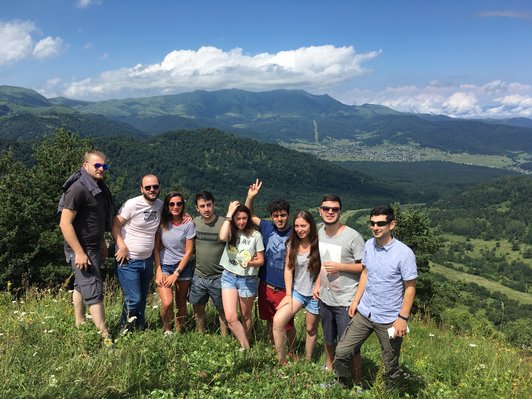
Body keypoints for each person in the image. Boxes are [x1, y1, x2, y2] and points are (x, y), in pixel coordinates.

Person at [333, 205, 417, 390]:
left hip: (389, 318)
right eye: (372, 223)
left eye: (381, 223)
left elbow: (410, 288)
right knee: (342, 350)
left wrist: (402, 318)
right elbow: (365, 273)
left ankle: (392, 392)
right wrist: (356, 300)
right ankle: (342, 385)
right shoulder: (369, 245)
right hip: (365, 312)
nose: (375, 227)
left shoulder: (404, 253)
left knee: (390, 362)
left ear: (392, 225)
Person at [58, 150, 115, 344]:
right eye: (97, 165)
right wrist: (79, 252)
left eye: (104, 166)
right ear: (85, 166)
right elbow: (65, 223)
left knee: (80, 285)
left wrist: (101, 242)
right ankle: (105, 337)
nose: (101, 169)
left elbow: (94, 220)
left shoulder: (97, 187)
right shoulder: (79, 188)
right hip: (81, 248)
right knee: (93, 288)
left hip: (93, 245)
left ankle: (80, 323)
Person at [314, 194, 365, 383]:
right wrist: (318, 285)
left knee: (350, 346)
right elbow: (320, 263)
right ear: (320, 211)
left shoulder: (352, 237)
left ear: (340, 212)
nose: (330, 212)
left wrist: (341, 267)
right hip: (325, 298)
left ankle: (357, 381)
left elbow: (365, 267)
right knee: (328, 339)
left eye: (334, 209)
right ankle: (330, 367)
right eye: (326, 208)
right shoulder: (319, 232)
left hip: (345, 300)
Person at [245, 179, 296, 350]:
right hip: (266, 284)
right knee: (269, 320)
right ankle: (273, 347)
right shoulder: (267, 227)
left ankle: (291, 350)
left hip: (284, 288)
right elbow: (249, 216)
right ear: (271, 216)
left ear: (288, 215)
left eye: (283, 215)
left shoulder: (295, 233)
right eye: (276, 215)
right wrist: (250, 197)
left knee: (286, 324)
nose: (280, 219)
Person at [112, 174, 163, 331]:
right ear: (142, 189)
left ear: (159, 187)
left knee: (142, 299)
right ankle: (123, 328)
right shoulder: (132, 204)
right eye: (147, 187)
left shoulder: (160, 205)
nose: (152, 190)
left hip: (146, 260)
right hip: (128, 260)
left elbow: (176, 212)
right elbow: (115, 225)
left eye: (155, 186)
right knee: (134, 298)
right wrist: (121, 246)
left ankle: (139, 328)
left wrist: (186, 216)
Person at [272, 210, 321, 364]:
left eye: (303, 226)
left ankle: (307, 360)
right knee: (278, 321)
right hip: (298, 292)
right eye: (297, 226)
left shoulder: (319, 244)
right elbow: (288, 268)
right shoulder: (291, 243)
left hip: (315, 294)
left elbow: (324, 268)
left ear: (311, 226)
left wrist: (318, 287)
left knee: (310, 329)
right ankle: (282, 362)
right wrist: (288, 294)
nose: (300, 229)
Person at [219, 201, 264, 349]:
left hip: (247, 279)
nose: (241, 221)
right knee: (231, 317)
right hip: (229, 276)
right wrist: (229, 213)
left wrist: (250, 263)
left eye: (244, 218)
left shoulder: (255, 235)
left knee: (246, 316)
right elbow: (221, 237)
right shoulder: (230, 230)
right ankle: (245, 347)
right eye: (238, 218)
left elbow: (261, 260)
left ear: (249, 218)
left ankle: (246, 343)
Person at [154, 192, 196, 334]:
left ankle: (179, 330)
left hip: (183, 266)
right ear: (167, 206)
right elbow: (156, 248)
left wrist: (176, 273)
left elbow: (189, 251)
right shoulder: (162, 223)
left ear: (183, 205)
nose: (175, 206)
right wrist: (158, 269)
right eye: (172, 204)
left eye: (179, 203)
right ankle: (167, 330)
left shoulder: (188, 223)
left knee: (181, 300)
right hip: (165, 265)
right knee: (167, 302)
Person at [188, 191, 228, 335]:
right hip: (199, 275)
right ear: (197, 208)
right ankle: (201, 334)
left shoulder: (223, 223)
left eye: (209, 205)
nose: (206, 209)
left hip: (219, 276)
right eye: (202, 206)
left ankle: (224, 338)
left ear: (214, 205)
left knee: (223, 310)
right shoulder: (194, 222)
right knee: (198, 307)